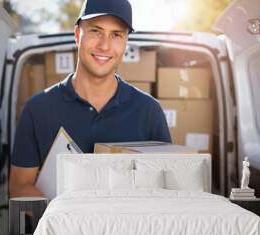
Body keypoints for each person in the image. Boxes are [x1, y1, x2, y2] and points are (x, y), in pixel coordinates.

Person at [10, 0, 171, 198]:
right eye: (96, 31)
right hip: (61, 228)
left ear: (126, 42)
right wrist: (71, 216)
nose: (105, 45)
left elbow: (165, 191)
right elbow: (19, 187)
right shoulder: (38, 109)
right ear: (78, 34)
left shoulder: (149, 111)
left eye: (116, 35)